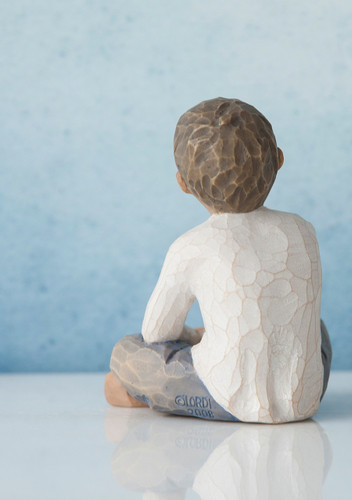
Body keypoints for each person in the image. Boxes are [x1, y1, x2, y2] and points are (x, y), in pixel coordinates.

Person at [105, 97, 332, 423]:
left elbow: (156, 333)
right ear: (279, 160)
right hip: (307, 392)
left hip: (228, 396)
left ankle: (143, 392)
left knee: (127, 351)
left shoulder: (190, 247)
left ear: (182, 183)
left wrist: (193, 337)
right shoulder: (304, 230)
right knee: (317, 328)